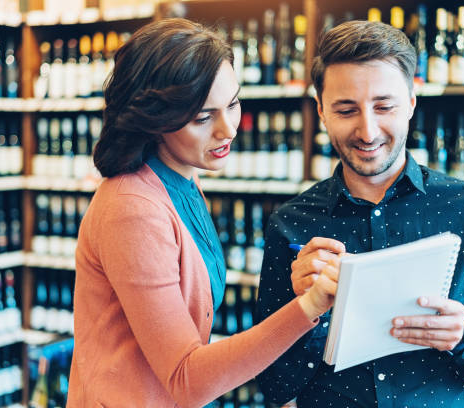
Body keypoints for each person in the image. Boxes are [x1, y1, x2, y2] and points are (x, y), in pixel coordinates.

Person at [66, 18, 337, 408]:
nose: (228, 129)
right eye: (202, 118)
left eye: (232, 104)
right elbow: (186, 377)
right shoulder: (132, 209)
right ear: (156, 119)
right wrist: (308, 307)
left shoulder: (184, 181)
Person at [256, 20, 464, 407]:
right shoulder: (291, 224)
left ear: (412, 102)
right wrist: (305, 313)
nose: (368, 131)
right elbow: (274, 385)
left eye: (384, 107)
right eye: (346, 110)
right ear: (322, 111)